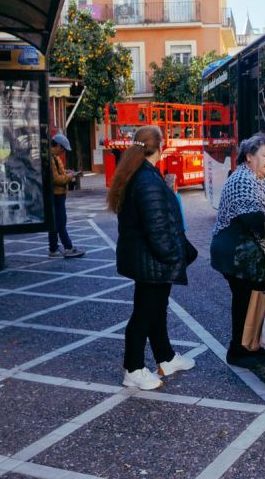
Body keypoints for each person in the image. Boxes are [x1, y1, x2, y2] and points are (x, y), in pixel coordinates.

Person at [107, 125, 198, 391]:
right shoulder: (146, 180)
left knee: (156, 310)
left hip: (148, 259)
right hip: (152, 260)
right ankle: (133, 368)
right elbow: (157, 228)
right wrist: (172, 257)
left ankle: (165, 357)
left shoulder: (140, 174)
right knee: (144, 314)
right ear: (159, 147)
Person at [211, 133, 265, 365]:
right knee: (244, 301)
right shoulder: (243, 180)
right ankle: (238, 351)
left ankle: (249, 345)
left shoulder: (256, 179)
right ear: (249, 156)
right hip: (235, 256)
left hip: (243, 257)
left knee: (249, 300)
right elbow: (255, 219)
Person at [48, 134, 84, 259]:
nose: (63, 152)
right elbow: (56, 179)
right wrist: (70, 176)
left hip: (57, 194)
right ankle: (68, 248)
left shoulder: (53, 157)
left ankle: (53, 249)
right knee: (61, 222)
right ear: (57, 145)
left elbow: (57, 174)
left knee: (54, 223)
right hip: (57, 195)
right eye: (62, 149)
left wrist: (66, 172)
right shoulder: (51, 158)